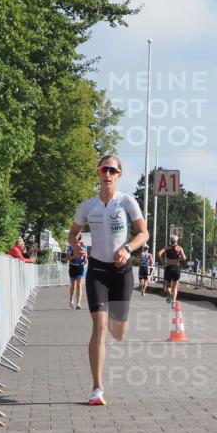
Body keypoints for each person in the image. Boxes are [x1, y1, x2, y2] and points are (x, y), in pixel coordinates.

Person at [68, 155, 148, 406]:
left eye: (112, 170)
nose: (108, 173)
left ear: (119, 174)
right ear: (98, 173)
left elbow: (144, 233)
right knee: (99, 328)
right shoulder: (87, 206)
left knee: (118, 331)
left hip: (122, 272)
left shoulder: (127, 203)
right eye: (104, 169)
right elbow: (73, 234)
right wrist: (77, 246)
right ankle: (97, 389)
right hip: (98, 271)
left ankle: (121, 320)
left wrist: (128, 248)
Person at [157, 234, 186, 309]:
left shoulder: (167, 247)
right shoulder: (179, 248)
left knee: (168, 285)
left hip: (168, 267)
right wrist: (179, 257)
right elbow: (184, 258)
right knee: (175, 286)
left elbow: (159, 253)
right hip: (176, 268)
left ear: (171, 240)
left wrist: (163, 261)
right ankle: (173, 302)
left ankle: (169, 292)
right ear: (177, 241)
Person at [65, 237, 87, 309]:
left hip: (80, 267)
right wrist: (75, 256)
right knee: (73, 286)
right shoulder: (70, 248)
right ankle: (71, 300)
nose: (78, 242)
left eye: (79, 240)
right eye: (77, 240)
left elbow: (86, 259)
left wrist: (85, 259)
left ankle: (78, 303)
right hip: (73, 267)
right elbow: (67, 258)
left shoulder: (84, 247)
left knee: (79, 285)